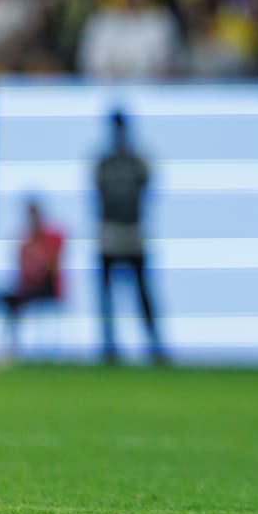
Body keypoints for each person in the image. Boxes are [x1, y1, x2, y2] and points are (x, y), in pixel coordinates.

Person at [95, 110, 164, 365]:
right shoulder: (104, 163)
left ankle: (154, 345)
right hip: (110, 230)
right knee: (107, 294)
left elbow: (146, 190)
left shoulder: (137, 162)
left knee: (142, 292)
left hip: (132, 230)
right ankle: (109, 346)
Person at [0, 199, 65, 355]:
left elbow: (50, 267)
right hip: (29, 287)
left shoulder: (53, 238)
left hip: (47, 288)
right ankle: (9, 347)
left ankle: (11, 348)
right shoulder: (25, 242)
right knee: (10, 300)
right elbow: (23, 272)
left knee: (18, 301)